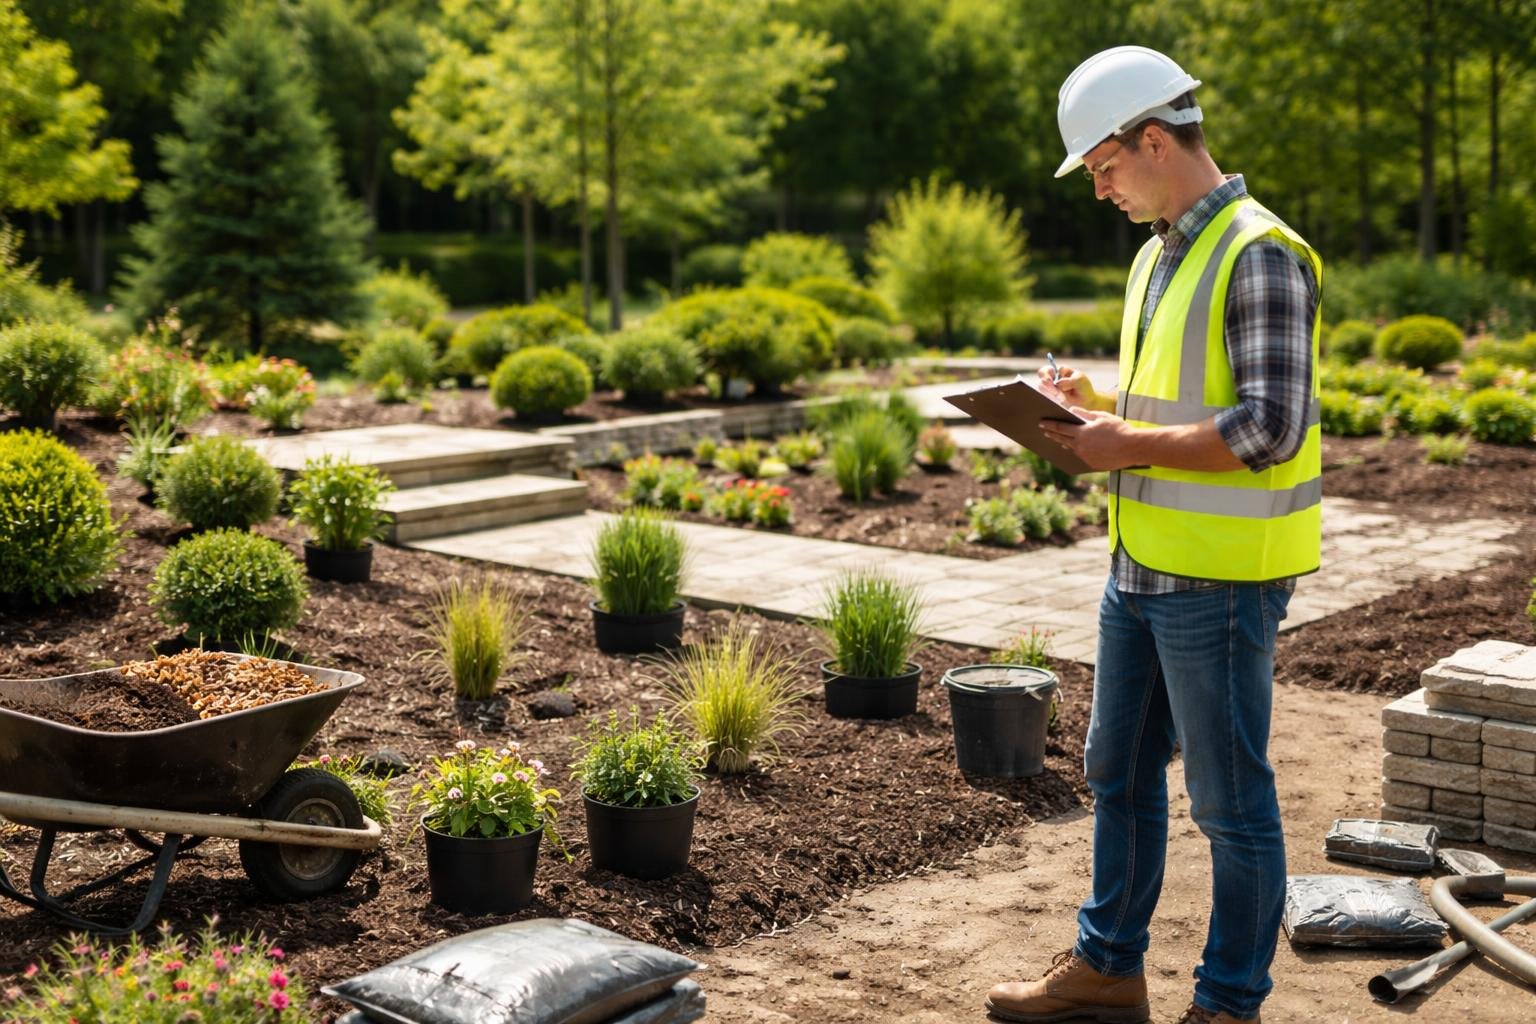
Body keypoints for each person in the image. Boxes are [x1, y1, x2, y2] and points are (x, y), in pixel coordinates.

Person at [984, 46, 1322, 1024]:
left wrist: (1126, 439)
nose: (1098, 188)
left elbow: (1269, 426)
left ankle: (1226, 1003)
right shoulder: (1157, 251)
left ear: (1156, 139)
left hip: (1219, 582)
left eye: (1102, 167)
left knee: (1231, 803)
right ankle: (1108, 970)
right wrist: (1091, 408)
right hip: (1138, 566)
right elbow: (1174, 402)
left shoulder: (1258, 252)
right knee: (1117, 771)